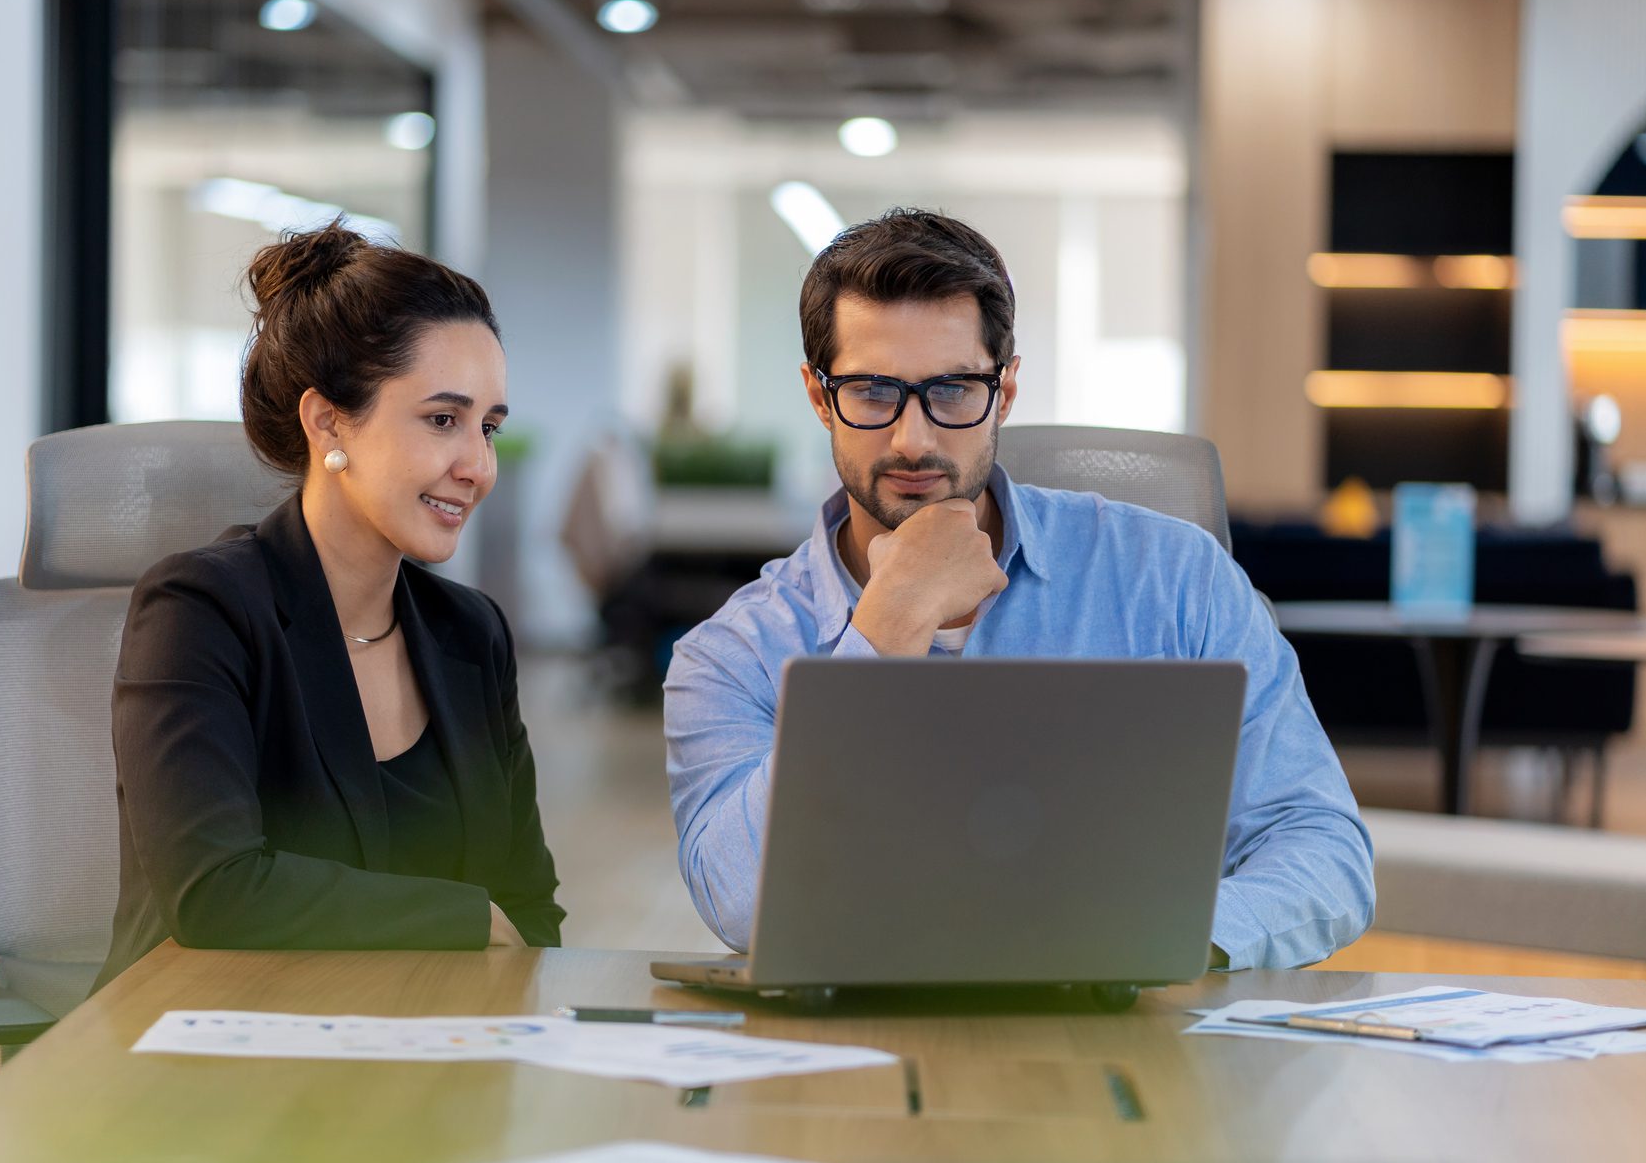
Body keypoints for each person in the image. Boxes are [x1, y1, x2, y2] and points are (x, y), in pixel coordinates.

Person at [662, 208, 1371, 971]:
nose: (913, 439)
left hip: (1130, 1024)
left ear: (1003, 392)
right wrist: (886, 627)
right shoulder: (730, 655)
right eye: (871, 393)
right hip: (853, 1046)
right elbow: (738, 905)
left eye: (953, 389)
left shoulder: (1174, 578)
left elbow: (1321, 845)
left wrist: (1158, 937)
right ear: (816, 393)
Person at [96, 222, 564, 989]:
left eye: (488, 428)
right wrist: (465, 918)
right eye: (442, 421)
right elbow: (214, 894)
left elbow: (531, 908)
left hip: (424, 1059)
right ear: (327, 423)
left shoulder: (469, 634)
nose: (476, 466)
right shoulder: (201, 609)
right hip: (205, 1057)